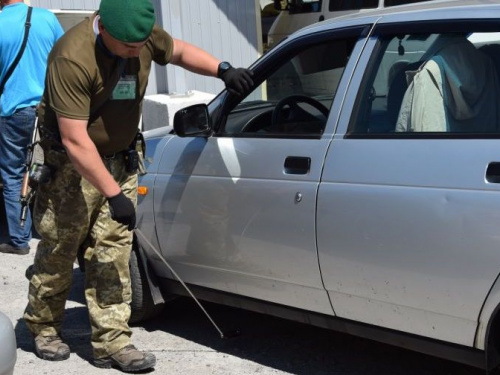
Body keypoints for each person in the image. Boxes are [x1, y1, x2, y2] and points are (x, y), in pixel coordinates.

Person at [23, 0, 253, 372]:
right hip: (70, 168)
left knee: (112, 251)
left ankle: (111, 342)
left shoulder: (139, 36)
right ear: (104, 29)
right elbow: (74, 139)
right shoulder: (72, 56)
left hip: (121, 159)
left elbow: (177, 50)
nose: (136, 53)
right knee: (59, 250)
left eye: (140, 45)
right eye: (128, 47)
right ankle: (44, 327)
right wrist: (113, 194)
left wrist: (222, 70)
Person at [0, 0, 63, 255]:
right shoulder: (47, 19)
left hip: (14, 110)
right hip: (51, 108)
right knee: (54, 168)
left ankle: (18, 239)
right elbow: (64, 58)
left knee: (14, 173)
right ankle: (62, 230)